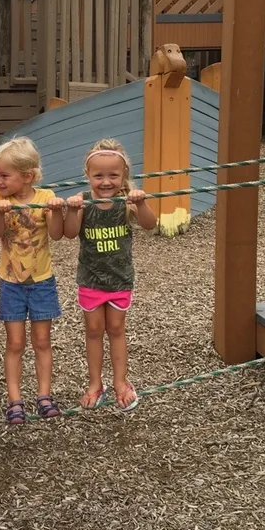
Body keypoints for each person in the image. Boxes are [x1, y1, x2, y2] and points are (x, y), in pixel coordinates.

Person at [63, 139, 157, 411]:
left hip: (119, 279)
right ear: (88, 176)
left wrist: (142, 203)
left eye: (113, 175)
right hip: (91, 279)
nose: (106, 182)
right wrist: (72, 210)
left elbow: (150, 225)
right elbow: (69, 233)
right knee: (93, 330)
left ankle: (120, 382)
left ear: (124, 175)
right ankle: (95, 383)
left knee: (116, 328)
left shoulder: (127, 202)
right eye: (98, 176)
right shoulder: (84, 202)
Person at [0, 137, 66, 425]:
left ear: (28, 176)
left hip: (42, 281)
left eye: (4, 175)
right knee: (15, 342)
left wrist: (56, 211)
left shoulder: (46, 197)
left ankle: (44, 396)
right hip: (11, 282)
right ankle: (14, 399)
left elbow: (56, 234)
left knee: (43, 340)